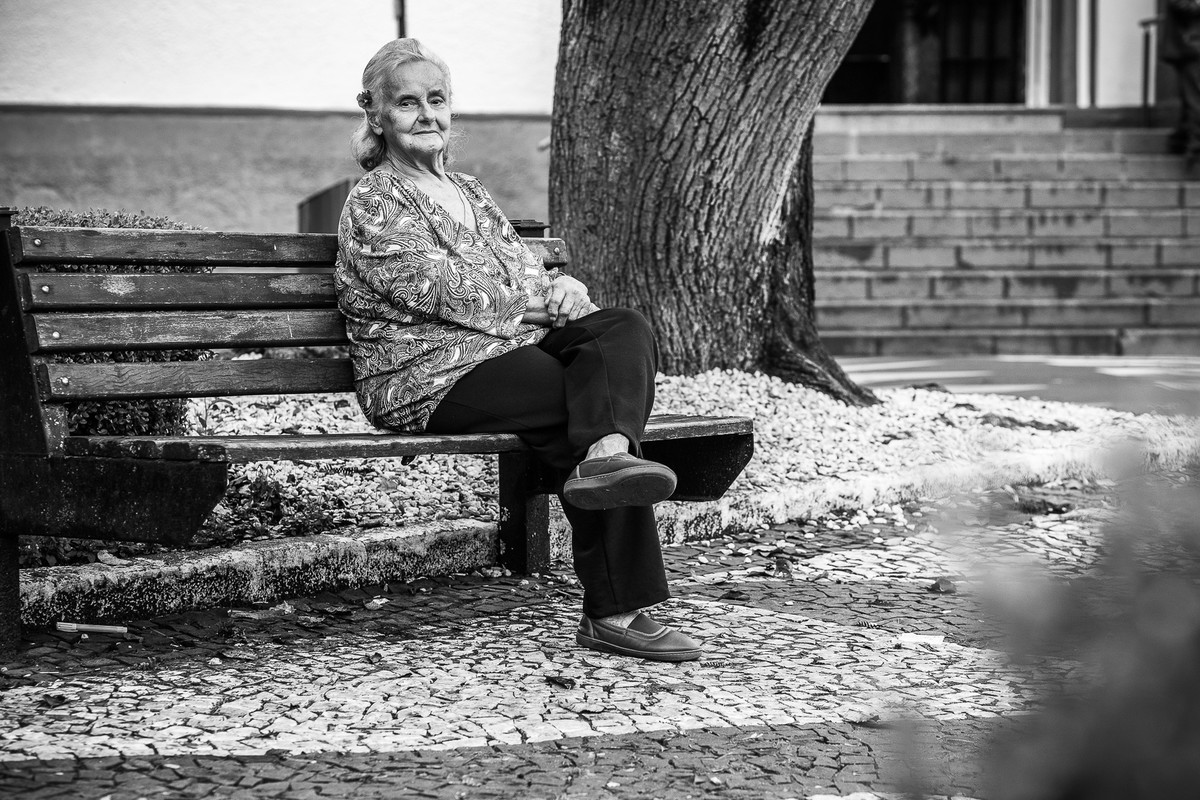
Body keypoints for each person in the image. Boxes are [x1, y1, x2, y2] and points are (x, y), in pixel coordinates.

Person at [334, 39, 701, 662]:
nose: (426, 114)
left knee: (622, 327)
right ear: (375, 113)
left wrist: (565, 288)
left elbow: (525, 272)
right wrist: (535, 303)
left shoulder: (470, 191)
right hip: (427, 374)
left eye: (436, 99)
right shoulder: (375, 200)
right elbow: (437, 289)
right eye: (407, 103)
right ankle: (617, 610)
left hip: (507, 351)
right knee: (573, 399)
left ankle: (608, 457)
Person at [1161, 0, 1200, 165]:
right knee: (1194, 97)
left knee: (1190, 97)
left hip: (1191, 46)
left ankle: (1180, 141)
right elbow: (1180, 4)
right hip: (1191, 46)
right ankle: (1193, 145)